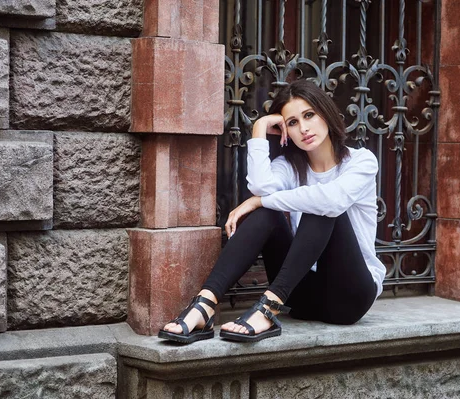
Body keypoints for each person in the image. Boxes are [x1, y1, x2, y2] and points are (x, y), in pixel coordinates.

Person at [158, 79, 386, 344]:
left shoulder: (361, 161)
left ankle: (267, 310)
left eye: (309, 115)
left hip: (350, 296)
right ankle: (205, 305)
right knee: (268, 213)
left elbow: (331, 201)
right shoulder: (288, 166)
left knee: (320, 207)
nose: (303, 128)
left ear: (325, 112)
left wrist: (260, 201)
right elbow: (260, 186)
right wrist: (260, 127)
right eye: (292, 122)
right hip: (301, 296)